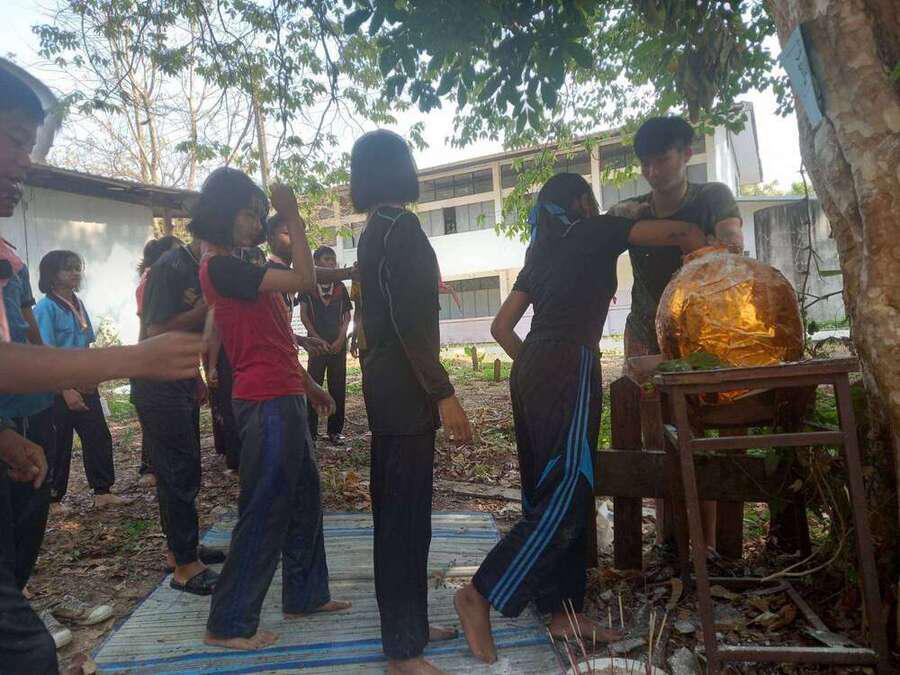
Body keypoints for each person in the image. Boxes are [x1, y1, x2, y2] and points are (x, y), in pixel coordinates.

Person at [0, 65, 206, 675]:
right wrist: (135, 359)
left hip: (31, 412)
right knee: (26, 653)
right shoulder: (174, 272)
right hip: (108, 391)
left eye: (31, 144)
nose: (27, 161)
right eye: (16, 139)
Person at [455, 173, 707, 664]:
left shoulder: (540, 253)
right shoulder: (595, 230)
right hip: (569, 364)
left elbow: (501, 327)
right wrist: (706, 252)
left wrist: (536, 365)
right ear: (581, 202)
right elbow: (679, 232)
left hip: (533, 367)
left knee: (545, 489)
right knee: (569, 488)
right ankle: (480, 593)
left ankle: (562, 610)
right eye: (591, 197)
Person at [194, 168, 350, 651]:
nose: (256, 222)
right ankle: (229, 622)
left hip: (282, 394)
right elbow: (305, 277)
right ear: (223, 215)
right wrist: (294, 217)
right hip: (264, 402)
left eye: (259, 214)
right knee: (264, 508)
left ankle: (305, 595)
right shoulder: (221, 267)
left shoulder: (241, 264)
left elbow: (275, 340)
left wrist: (309, 386)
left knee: (304, 499)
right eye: (248, 214)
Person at [352, 129, 471, 675]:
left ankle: (412, 628)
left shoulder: (376, 229)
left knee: (404, 518)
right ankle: (402, 651)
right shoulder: (400, 229)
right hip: (405, 396)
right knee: (403, 521)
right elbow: (410, 323)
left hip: (390, 392)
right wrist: (444, 393)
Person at [608, 116, 743, 549]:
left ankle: (705, 547)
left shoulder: (712, 198)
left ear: (686, 154)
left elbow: (733, 246)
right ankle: (669, 540)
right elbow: (593, 239)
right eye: (645, 163)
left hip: (699, 337)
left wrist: (717, 241)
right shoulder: (630, 211)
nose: (653, 171)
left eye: (662, 159)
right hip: (645, 331)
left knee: (695, 435)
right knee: (655, 437)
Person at [131, 230, 223, 595]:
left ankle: (182, 550)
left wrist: (196, 374)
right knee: (176, 472)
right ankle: (185, 567)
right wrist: (206, 308)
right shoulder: (170, 267)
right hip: (158, 383)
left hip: (180, 378)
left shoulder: (199, 267)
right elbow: (156, 329)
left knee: (186, 470)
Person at [33, 250, 125, 508]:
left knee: (98, 436)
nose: (75, 273)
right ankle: (53, 498)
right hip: (57, 389)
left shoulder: (78, 303)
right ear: (52, 275)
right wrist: (66, 390)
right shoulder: (45, 308)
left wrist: (92, 376)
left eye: (77, 268)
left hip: (85, 383)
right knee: (58, 443)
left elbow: (86, 344)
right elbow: (46, 355)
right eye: (68, 269)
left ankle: (102, 491)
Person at [134, 235, 183, 485]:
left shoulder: (163, 277)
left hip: (164, 352)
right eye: (176, 253)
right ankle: (151, 467)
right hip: (154, 354)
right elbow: (152, 325)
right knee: (156, 414)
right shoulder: (154, 279)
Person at [299, 246, 352, 444]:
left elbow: (347, 316)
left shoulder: (340, 287)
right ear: (316, 263)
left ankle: (335, 431)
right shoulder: (308, 286)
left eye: (333, 260)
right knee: (313, 385)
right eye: (327, 259)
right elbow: (304, 316)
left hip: (338, 346)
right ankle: (310, 432)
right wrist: (316, 338)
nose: (331, 263)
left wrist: (341, 339)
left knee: (338, 386)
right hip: (316, 346)